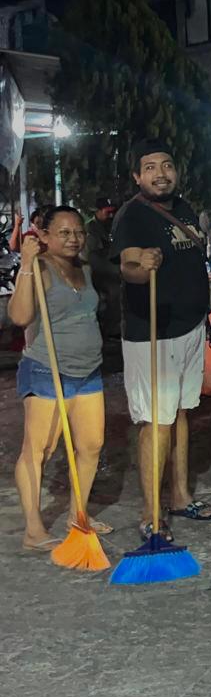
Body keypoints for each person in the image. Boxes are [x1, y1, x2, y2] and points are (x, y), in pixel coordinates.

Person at [111, 141, 211, 536]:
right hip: (152, 334)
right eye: (151, 167)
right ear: (138, 177)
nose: (161, 174)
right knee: (156, 421)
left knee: (181, 414)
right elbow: (127, 267)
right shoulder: (133, 215)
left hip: (189, 328)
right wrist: (143, 266)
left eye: (167, 166)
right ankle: (151, 513)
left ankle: (180, 496)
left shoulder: (185, 208)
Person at [11, 209, 109, 550]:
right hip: (47, 370)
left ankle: (77, 515)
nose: (73, 238)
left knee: (91, 445)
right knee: (39, 450)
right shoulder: (39, 269)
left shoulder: (84, 268)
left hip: (88, 370)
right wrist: (25, 263)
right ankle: (33, 530)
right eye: (64, 232)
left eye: (78, 232)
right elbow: (20, 316)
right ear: (46, 236)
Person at [84, 196, 120, 340]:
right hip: (97, 271)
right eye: (107, 212)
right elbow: (92, 257)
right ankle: (112, 329)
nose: (110, 215)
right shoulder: (91, 228)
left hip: (110, 268)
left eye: (112, 212)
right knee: (115, 291)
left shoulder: (111, 226)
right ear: (98, 211)